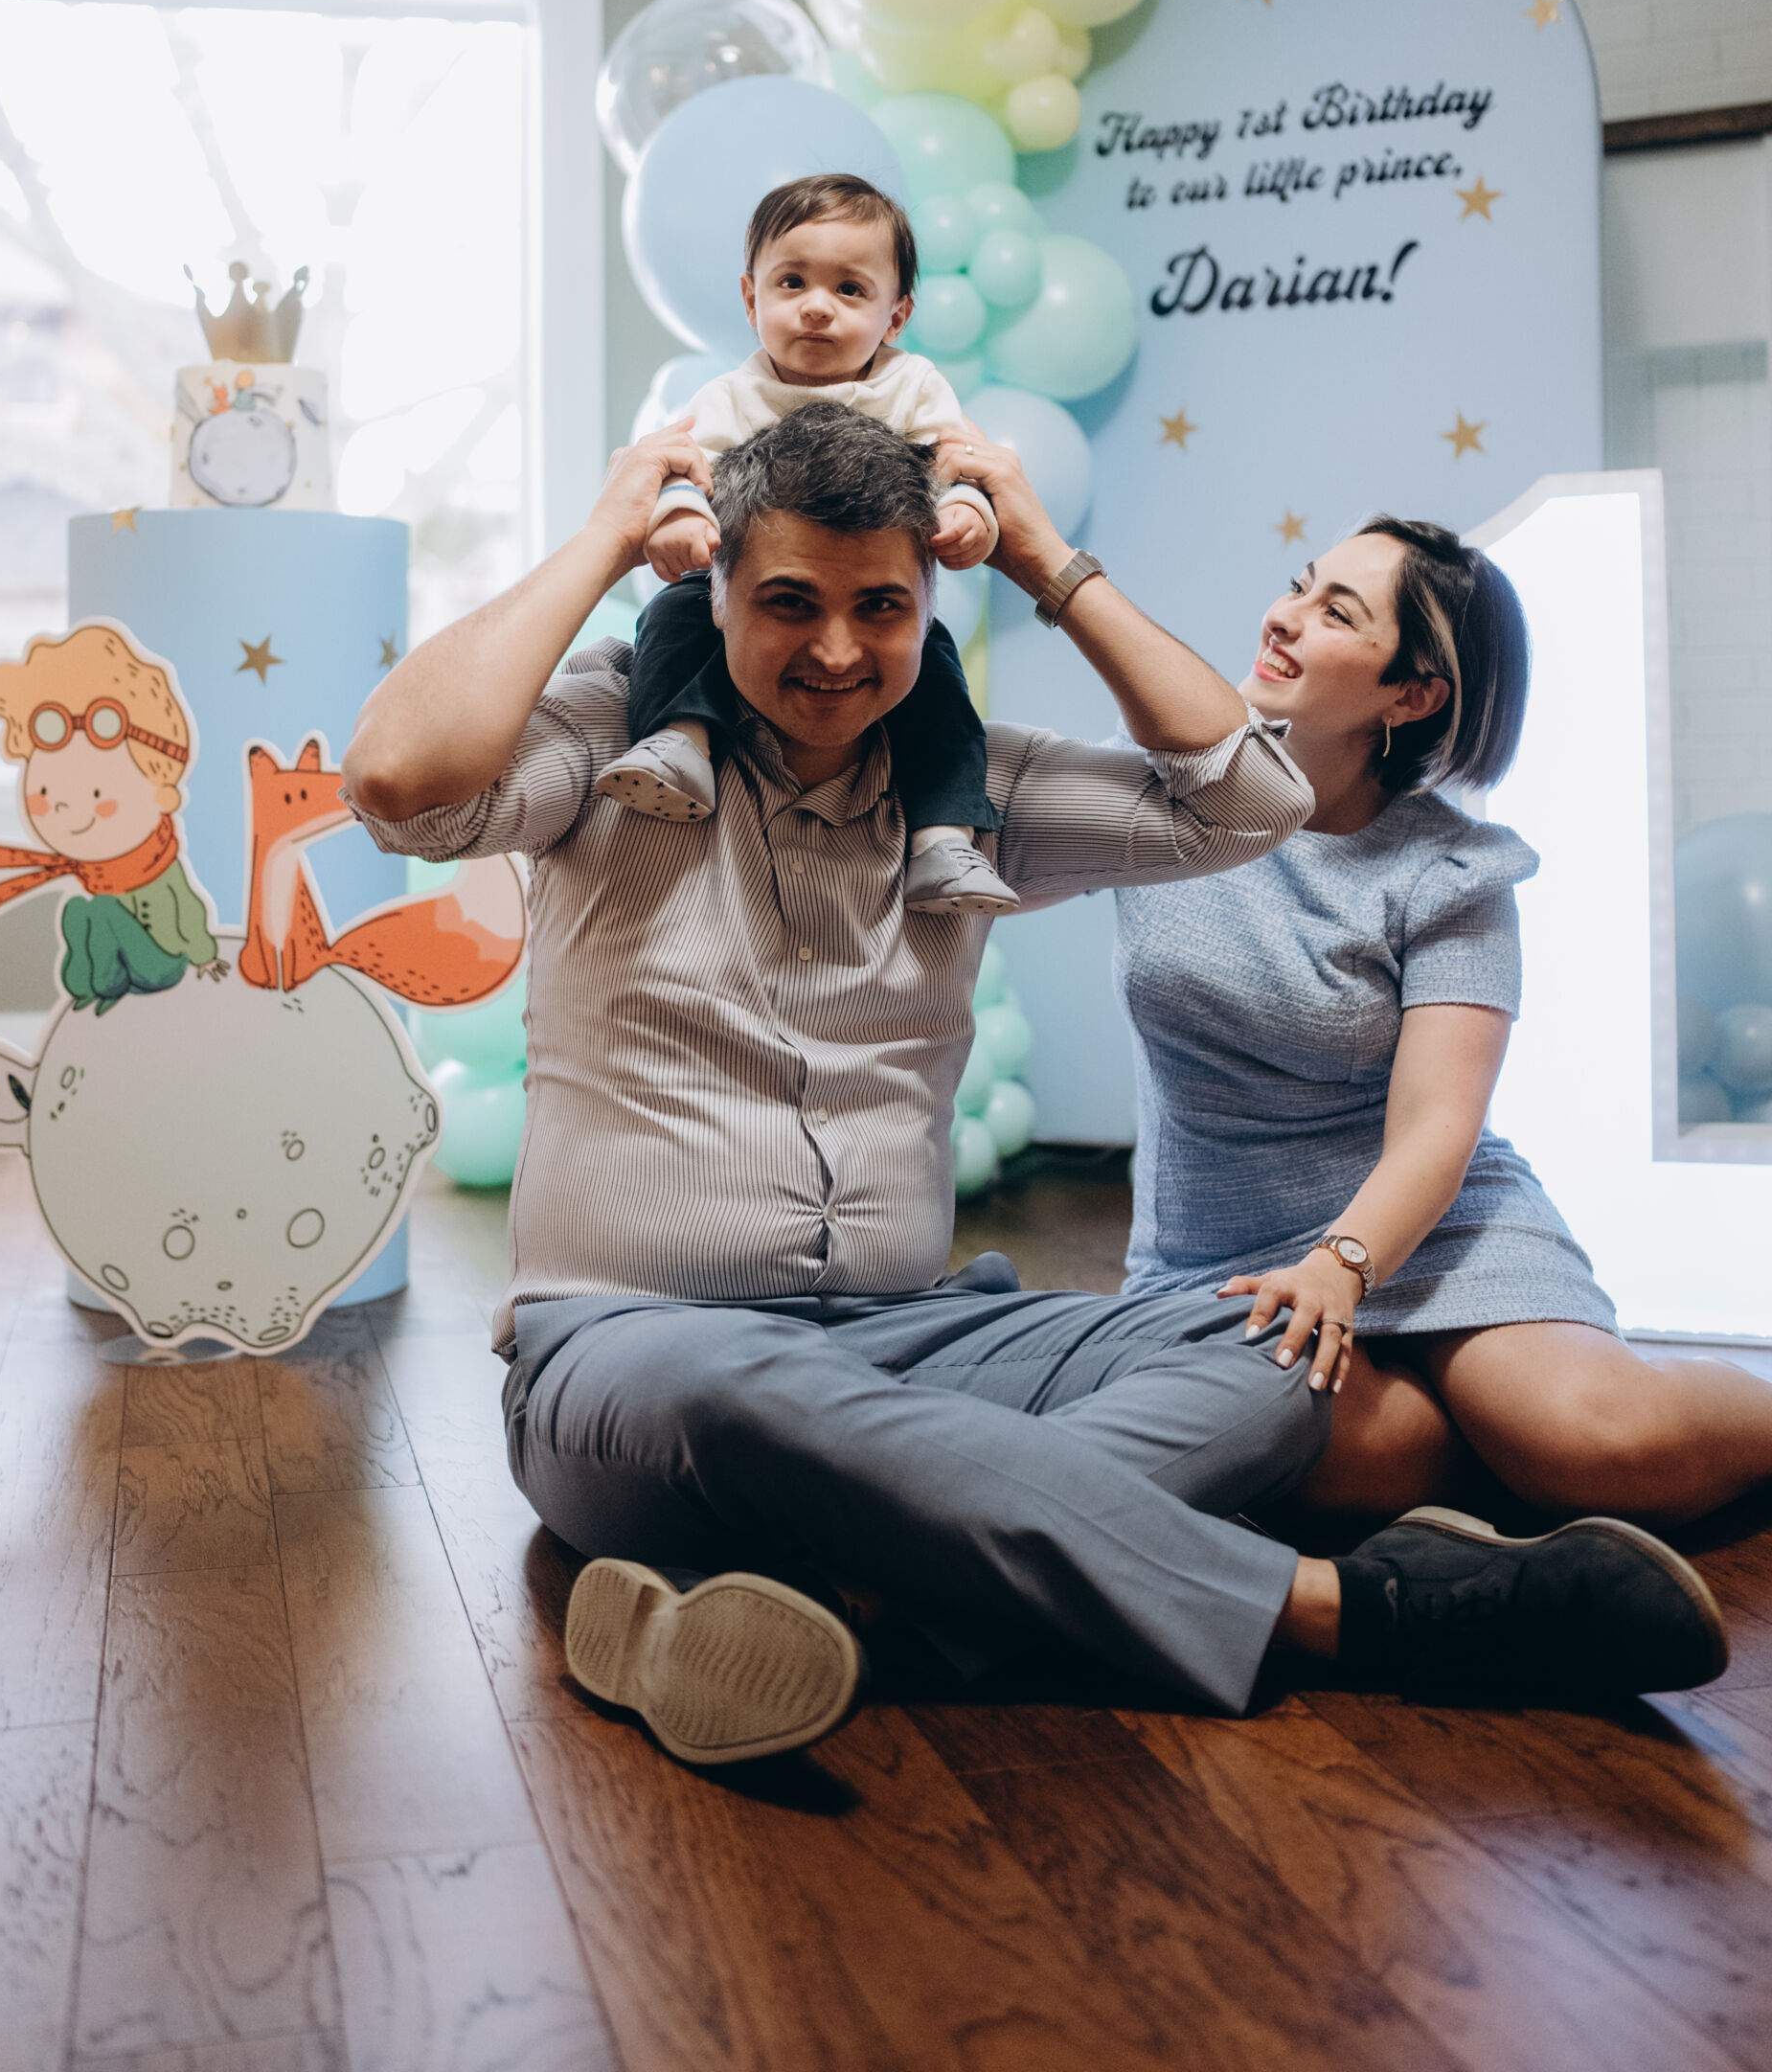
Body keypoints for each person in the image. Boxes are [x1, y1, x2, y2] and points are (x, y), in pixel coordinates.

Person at [342, 415, 1727, 1770]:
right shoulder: (614, 743)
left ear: (929, 604)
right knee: (735, 1388)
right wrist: (602, 538)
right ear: (715, 593)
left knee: (1263, 1360)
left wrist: (1045, 561)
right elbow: (398, 781)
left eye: (881, 607)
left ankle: (861, 1596)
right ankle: (1352, 1611)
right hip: (638, 1349)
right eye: (790, 602)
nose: (838, 650)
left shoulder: (979, 795)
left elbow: (1252, 800)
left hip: (910, 1336)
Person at [1116, 514, 1772, 1525]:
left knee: (1596, 1443)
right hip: (1222, 1251)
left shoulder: (1454, 870)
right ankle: (1499, 1445)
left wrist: (1343, 1264)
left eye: (1338, 613)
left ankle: (1576, 1431)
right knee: (1353, 1466)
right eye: (1299, 585)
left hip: (1438, 1224)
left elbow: (1436, 1128)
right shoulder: (1160, 796)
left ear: (1413, 694)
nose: (1285, 617)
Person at [596, 171, 1015, 915]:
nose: (817, 306)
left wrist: (967, 513)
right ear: (751, 298)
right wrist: (681, 516)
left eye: (850, 290)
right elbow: (683, 470)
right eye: (792, 283)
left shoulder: (912, 387)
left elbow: (959, 463)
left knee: (938, 680)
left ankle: (945, 836)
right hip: (745, 581)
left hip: (871, 585)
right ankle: (680, 740)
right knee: (672, 616)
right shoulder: (731, 397)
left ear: (896, 315)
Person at [0, 622, 224, 1013]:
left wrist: (204, 956)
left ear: (161, 789)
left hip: (163, 964)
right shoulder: (94, 874)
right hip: (121, 969)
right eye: (46, 794)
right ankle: (86, 986)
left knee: (101, 909)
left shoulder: (161, 865)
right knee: (78, 910)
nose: (66, 809)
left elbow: (188, 909)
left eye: (97, 795)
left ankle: (102, 983)